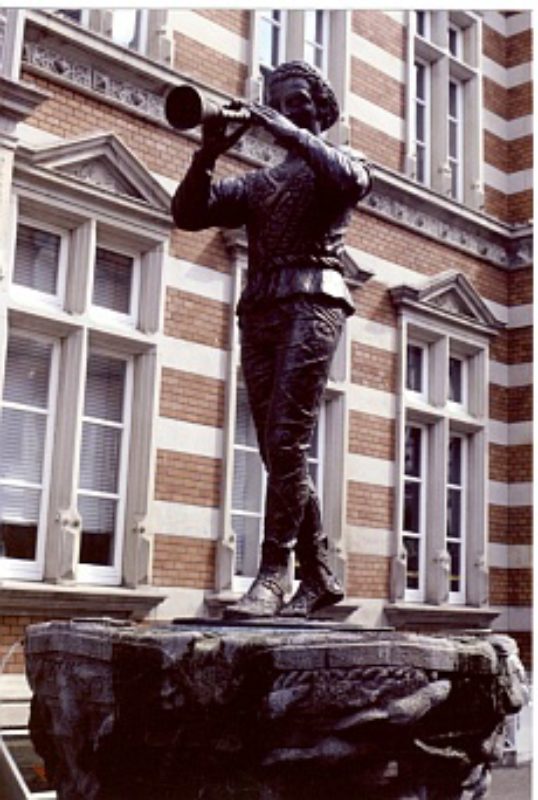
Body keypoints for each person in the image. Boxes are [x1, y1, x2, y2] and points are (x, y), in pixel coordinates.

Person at [171, 61, 371, 618]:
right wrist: (208, 152)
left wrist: (290, 133)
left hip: (314, 300)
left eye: (299, 99)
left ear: (322, 108)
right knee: (275, 450)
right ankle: (322, 576)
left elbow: (351, 182)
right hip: (259, 308)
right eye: (280, 101)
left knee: (285, 441)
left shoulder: (340, 165)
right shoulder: (261, 184)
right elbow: (188, 214)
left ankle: (274, 571)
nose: (288, 107)